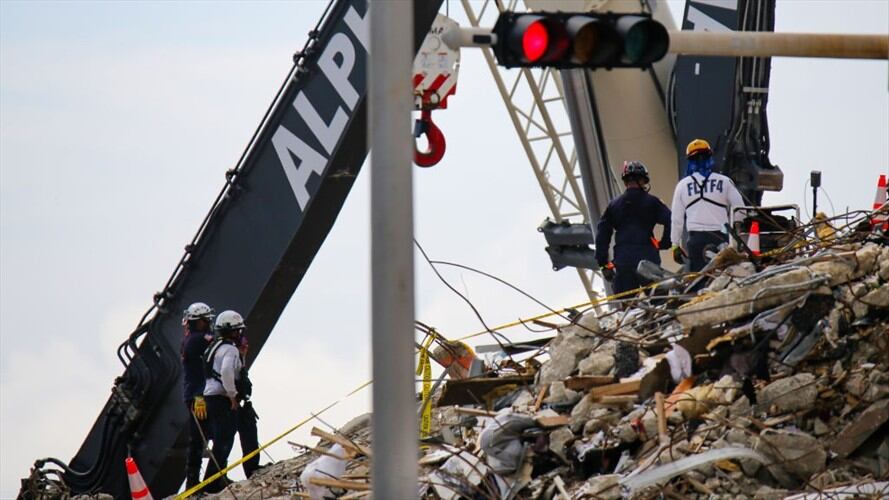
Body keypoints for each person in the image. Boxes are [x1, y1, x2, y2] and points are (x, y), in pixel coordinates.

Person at [595, 161, 672, 294]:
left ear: (625, 182)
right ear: (642, 180)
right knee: (659, 300)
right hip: (648, 259)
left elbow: (602, 235)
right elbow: (671, 220)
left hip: (623, 260)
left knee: (627, 306)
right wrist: (664, 243)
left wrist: (603, 264)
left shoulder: (613, 205)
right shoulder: (652, 202)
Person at [670, 139, 744, 272]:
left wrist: (675, 245)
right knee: (724, 277)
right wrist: (737, 236)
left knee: (698, 281)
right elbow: (740, 211)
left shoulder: (682, 186)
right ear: (710, 157)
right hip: (721, 238)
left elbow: (676, 219)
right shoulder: (725, 181)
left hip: (696, 241)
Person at [202, 310, 245, 493]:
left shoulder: (214, 347)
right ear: (234, 331)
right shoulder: (230, 349)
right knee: (224, 439)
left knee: (220, 438)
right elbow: (227, 371)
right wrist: (232, 395)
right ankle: (214, 481)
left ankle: (215, 478)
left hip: (209, 397)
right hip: (221, 398)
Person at [180, 302, 215, 490]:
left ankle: (196, 482)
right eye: (205, 319)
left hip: (196, 393)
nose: (208, 322)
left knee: (201, 437)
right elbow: (197, 372)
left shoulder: (192, 339)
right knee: (200, 437)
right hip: (198, 396)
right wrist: (199, 396)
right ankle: (194, 483)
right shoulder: (198, 340)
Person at [234, 333, 266, 478]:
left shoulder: (239, 358)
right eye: (243, 345)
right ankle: (214, 477)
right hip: (228, 404)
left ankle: (252, 467)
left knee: (249, 435)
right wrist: (231, 398)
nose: (246, 348)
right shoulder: (231, 358)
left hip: (239, 403)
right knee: (223, 443)